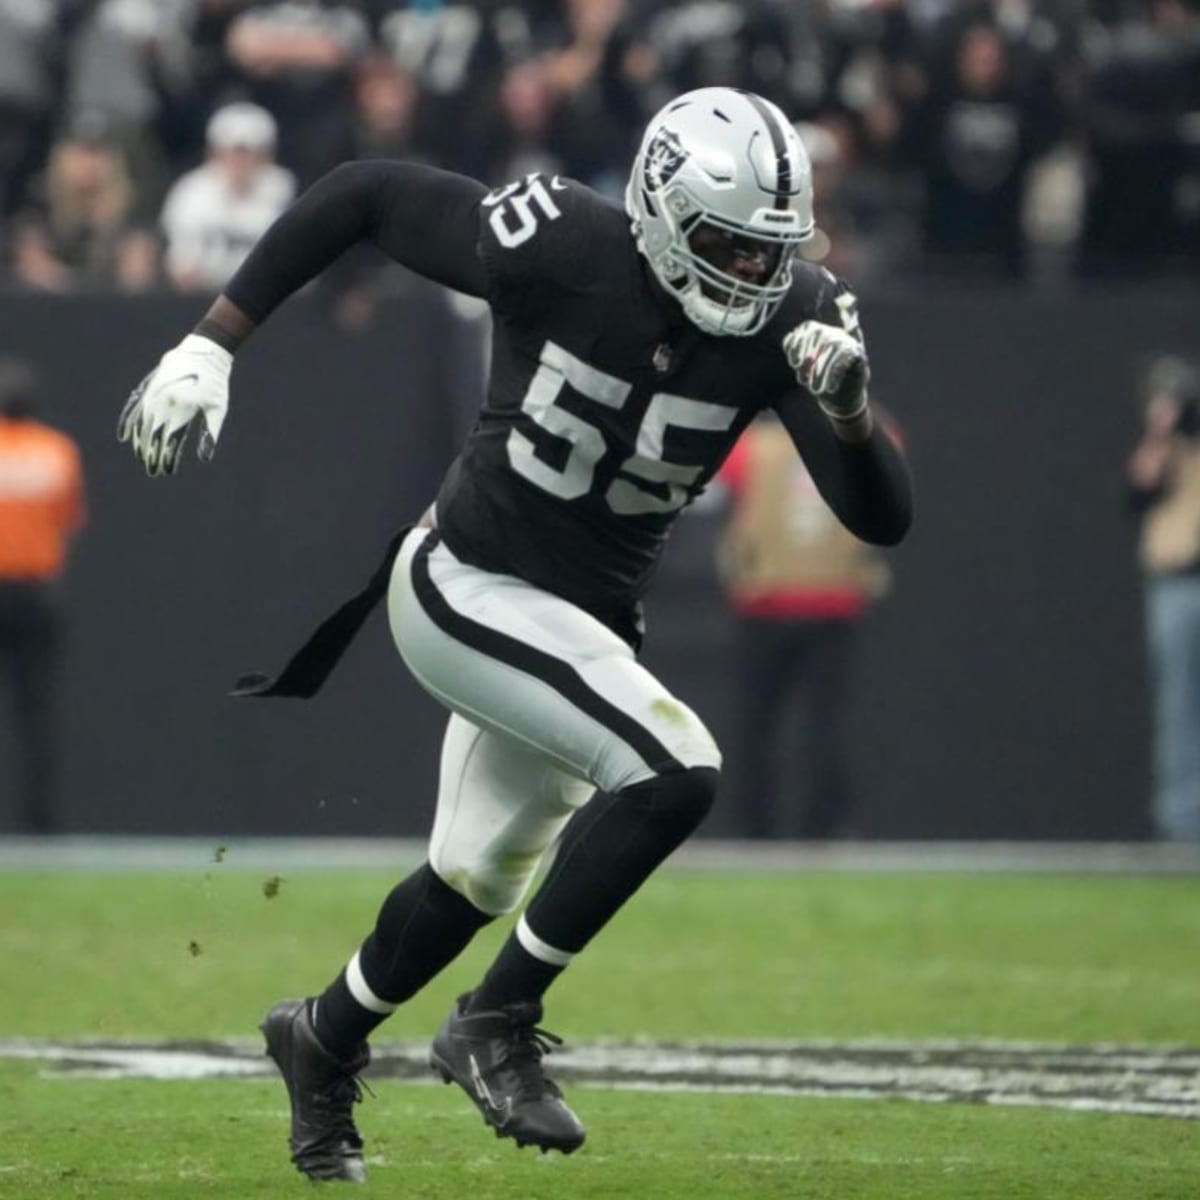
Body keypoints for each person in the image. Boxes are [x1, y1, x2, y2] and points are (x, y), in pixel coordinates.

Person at [117, 86, 913, 1181]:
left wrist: (848, 411)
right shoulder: (566, 242)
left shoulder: (797, 313)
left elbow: (881, 516)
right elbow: (363, 193)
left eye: (772, 249)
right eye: (728, 242)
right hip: (467, 580)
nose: (753, 272)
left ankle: (321, 1034)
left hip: (581, 622)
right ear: (660, 208)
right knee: (676, 768)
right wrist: (214, 341)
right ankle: (495, 1019)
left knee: (476, 878)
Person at [715, 409, 898, 839]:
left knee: (758, 725)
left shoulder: (750, 448)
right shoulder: (868, 438)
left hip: (766, 600)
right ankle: (825, 828)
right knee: (824, 724)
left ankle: (754, 829)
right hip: (832, 602)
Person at [0, 358, 87, 833]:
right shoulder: (57, 451)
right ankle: (40, 824)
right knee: (35, 710)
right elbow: (68, 523)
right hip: (35, 593)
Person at [1127, 354, 1200, 842]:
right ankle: (1181, 822)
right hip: (1174, 586)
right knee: (1178, 706)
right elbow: (1137, 489)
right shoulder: (1163, 452)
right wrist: (1161, 429)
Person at [160, 102, 297, 294]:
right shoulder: (191, 193)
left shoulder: (283, 188)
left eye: (249, 153)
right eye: (233, 153)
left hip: (267, 299)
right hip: (203, 299)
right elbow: (182, 270)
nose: (240, 162)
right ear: (214, 153)